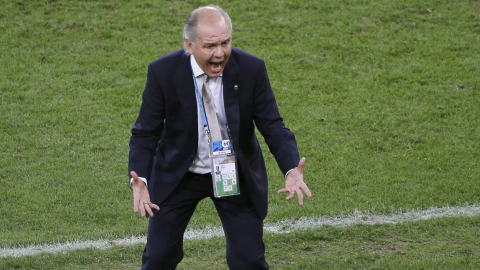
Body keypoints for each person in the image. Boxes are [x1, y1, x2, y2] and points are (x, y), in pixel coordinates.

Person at [128, 5, 311, 270]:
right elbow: (145, 132)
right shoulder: (163, 72)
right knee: (158, 258)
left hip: (234, 172)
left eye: (225, 43)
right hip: (181, 174)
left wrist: (291, 168)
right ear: (190, 45)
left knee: (248, 261)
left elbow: (272, 125)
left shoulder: (251, 69)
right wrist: (140, 178)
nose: (220, 53)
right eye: (210, 45)